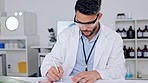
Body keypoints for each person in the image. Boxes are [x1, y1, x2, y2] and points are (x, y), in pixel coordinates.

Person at [41, 0, 126, 83]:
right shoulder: (65, 35)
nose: (84, 28)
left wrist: (98, 74)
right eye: (79, 22)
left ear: (99, 16)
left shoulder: (113, 38)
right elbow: (52, 59)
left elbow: (119, 70)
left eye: (89, 23)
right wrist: (49, 69)